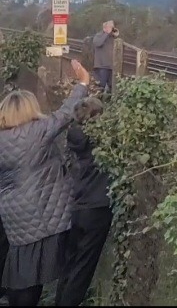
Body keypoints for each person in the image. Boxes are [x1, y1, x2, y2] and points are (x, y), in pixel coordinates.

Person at [0, 59, 90, 306]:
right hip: (45, 218)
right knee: (44, 276)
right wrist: (83, 82)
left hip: (14, 221)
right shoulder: (38, 131)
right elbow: (66, 113)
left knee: (22, 277)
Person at [55, 97, 112, 307]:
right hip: (97, 209)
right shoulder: (101, 140)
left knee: (70, 265)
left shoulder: (74, 137)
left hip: (77, 207)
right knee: (83, 269)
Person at [90, 22, 118, 93]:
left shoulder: (112, 37)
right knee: (101, 86)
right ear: (104, 28)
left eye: (112, 27)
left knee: (112, 86)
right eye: (110, 27)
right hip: (102, 66)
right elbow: (97, 43)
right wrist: (106, 34)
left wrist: (113, 34)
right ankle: (98, 101)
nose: (112, 29)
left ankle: (108, 101)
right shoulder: (98, 35)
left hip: (111, 66)